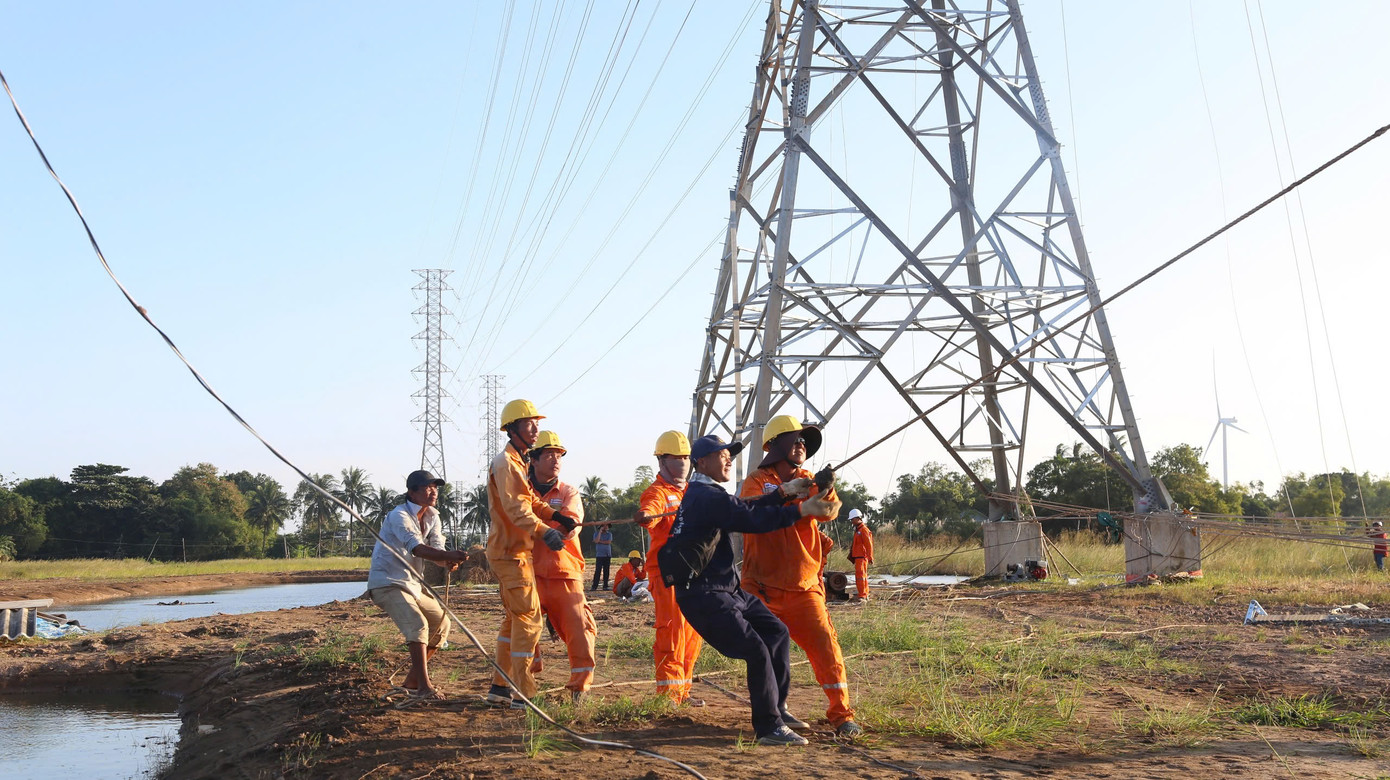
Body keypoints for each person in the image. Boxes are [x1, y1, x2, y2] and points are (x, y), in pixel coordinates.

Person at [665, 434, 841, 746]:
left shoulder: (708, 494)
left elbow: (742, 506)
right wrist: (801, 510)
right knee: (756, 650)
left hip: (726, 588)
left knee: (776, 632)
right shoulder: (707, 497)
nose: (728, 460)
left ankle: (776, 707)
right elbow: (750, 519)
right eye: (722, 455)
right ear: (702, 462)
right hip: (704, 595)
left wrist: (784, 493)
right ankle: (768, 727)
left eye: (730, 455)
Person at [739, 415, 862, 738]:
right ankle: (774, 712)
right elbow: (746, 509)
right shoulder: (756, 480)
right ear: (775, 445)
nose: (801, 445)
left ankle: (842, 715)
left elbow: (827, 511)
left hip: (804, 587)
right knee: (764, 653)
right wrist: (785, 492)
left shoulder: (811, 481)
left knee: (826, 648)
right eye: (794, 439)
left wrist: (826, 489)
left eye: (804, 442)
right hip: (760, 587)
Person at [484, 399, 574, 708]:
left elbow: (529, 501)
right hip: (510, 553)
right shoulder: (506, 463)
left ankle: (498, 688)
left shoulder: (518, 461)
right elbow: (517, 509)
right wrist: (545, 531)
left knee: (513, 621)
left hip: (513, 551)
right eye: (529, 424)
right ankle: (524, 693)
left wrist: (556, 516)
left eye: (536, 423)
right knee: (529, 619)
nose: (535, 428)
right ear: (512, 429)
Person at [367, 469, 467, 700]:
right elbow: (417, 548)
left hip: (411, 584)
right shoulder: (398, 515)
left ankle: (413, 681)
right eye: (427, 487)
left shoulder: (433, 515)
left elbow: (437, 548)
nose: (433, 491)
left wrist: (447, 561)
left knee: (441, 623)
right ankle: (423, 687)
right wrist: (447, 556)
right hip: (388, 583)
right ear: (412, 492)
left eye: (435, 487)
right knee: (418, 624)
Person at [527, 431, 597, 701]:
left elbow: (571, 523)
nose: (555, 460)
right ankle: (525, 681)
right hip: (526, 571)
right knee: (523, 631)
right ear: (533, 459)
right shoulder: (520, 490)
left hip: (563, 571)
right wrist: (545, 530)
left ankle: (580, 687)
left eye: (559, 455)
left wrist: (550, 530)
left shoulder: (569, 491)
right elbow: (513, 518)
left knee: (580, 628)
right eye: (548, 454)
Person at [636, 430, 703, 704]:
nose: (683, 463)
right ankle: (668, 696)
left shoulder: (692, 492)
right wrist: (647, 516)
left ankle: (682, 692)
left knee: (691, 635)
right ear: (662, 461)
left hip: (692, 573)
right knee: (672, 633)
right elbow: (650, 510)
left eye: (686, 457)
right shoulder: (657, 492)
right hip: (667, 574)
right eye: (677, 458)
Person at [848, 509, 875, 600]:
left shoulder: (863, 530)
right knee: (862, 576)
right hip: (858, 557)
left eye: (852, 519)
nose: (851, 521)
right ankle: (864, 594)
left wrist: (870, 556)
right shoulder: (858, 530)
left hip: (862, 557)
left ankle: (863, 595)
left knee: (861, 577)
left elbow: (868, 544)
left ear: (857, 518)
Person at [591, 523, 614, 591]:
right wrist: (600, 532)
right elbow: (596, 540)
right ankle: (594, 586)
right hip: (599, 555)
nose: (606, 527)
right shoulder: (596, 533)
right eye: (604, 525)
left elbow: (608, 542)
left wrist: (600, 541)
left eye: (607, 525)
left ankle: (605, 586)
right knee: (598, 571)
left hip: (607, 555)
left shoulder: (609, 534)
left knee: (606, 571)